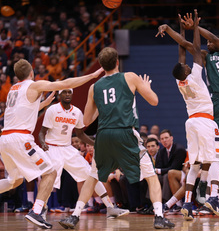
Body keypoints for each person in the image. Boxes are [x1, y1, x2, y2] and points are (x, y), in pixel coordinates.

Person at [0, 58, 104, 229]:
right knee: (50, 173)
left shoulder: (13, 89)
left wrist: (43, 104)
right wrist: (91, 75)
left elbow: (23, 110)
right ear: (31, 72)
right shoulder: (33, 85)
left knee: (14, 181)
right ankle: (36, 211)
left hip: (5, 139)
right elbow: (65, 83)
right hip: (20, 139)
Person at [59, 47, 175, 229]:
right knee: (151, 177)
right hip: (125, 132)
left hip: (104, 135)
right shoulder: (130, 77)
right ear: (117, 62)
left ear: (102, 66)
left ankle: (74, 216)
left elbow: (87, 120)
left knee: (92, 177)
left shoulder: (94, 87)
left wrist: (102, 106)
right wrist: (148, 88)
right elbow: (154, 101)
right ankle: (159, 217)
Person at [156, 9, 219, 220]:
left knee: (195, 163)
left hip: (191, 122)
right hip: (205, 121)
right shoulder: (194, 76)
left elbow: (182, 51)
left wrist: (177, 30)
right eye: (186, 67)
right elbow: (195, 49)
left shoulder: (179, 81)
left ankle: (186, 203)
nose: (187, 65)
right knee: (215, 160)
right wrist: (194, 27)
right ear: (186, 72)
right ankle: (213, 199)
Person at [179, 12, 219, 201]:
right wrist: (186, 30)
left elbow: (214, 38)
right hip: (216, 101)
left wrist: (196, 27)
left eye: (211, 42)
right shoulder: (206, 57)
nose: (208, 44)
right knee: (212, 144)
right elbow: (190, 47)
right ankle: (203, 182)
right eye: (206, 43)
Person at [39, 88, 129, 217]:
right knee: (49, 180)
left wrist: (96, 144)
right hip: (52, 148)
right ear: (60, 94)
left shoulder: (76, 112)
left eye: (70, 92)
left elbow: (80, 134)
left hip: (67, 148)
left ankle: (110, 207)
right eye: (64, 92)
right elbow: (42, 131)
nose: (67, 94)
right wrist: (42, 142)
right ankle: (39, 210)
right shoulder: (52, 110)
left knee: (90, 175)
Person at [155, 129, 186, 203]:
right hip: (168, 172)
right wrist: (157, 171)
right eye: (162, 139)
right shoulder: (161, 152)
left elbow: (175, 167)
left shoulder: (179, 149)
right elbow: (158, 166)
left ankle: (168, 202)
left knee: (168, 175)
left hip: (180, 173)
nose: (164, 140)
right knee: (155, 177)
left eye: (166, 138)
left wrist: (159, 171)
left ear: (171, 138)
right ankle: (153, 203)